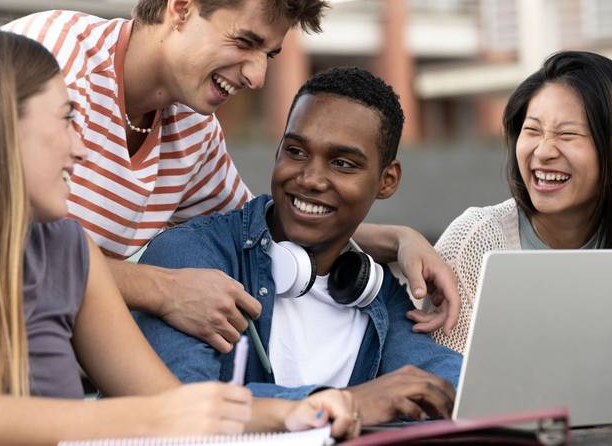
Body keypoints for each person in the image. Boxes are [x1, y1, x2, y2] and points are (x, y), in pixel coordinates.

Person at [3, 0, 460, 354]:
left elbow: (262, 227)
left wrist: (397, 240)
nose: (257, 76)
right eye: (244, 42)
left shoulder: (193, 128)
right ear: (181, 7)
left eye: (271, 55)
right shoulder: (50, 61)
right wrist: (160, 289)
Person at [0, 27, 359, 444]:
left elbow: (168, 402)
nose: (80, 148)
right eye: (65, 120)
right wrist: (153, 417)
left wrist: (296, 411)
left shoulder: (69, 250)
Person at [136, 67, 463, 427]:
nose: (309, 179)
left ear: (387, 180)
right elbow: (178, 406)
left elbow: (439, 384)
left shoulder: (376, 292)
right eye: (296, 151)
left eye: (341, 163)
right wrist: (344, 403)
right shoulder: (190, 258)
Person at [428, 51, 612, 394]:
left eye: (568, 135)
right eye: (532, 130)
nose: (543, 151)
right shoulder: (475, 238)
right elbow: (440, 378)